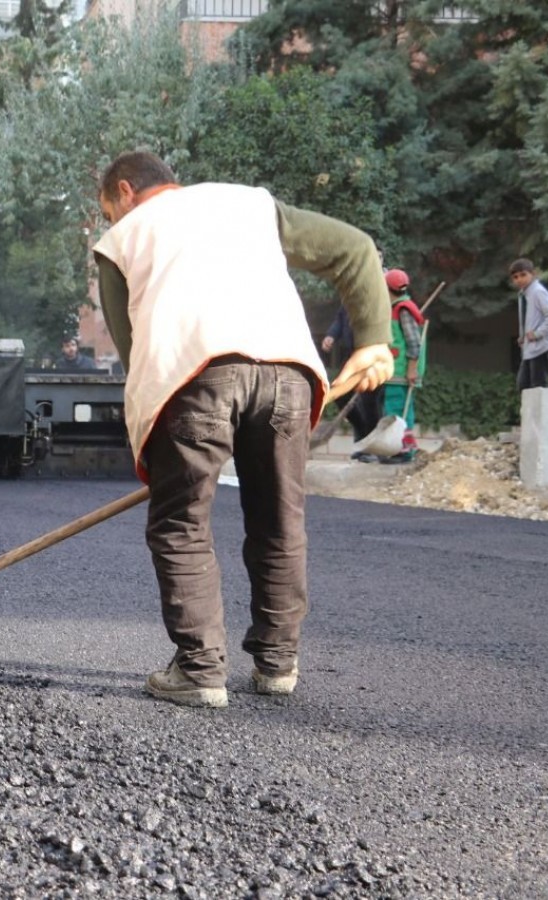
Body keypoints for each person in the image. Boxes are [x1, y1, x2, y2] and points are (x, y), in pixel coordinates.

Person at [93, 151, 392, 709]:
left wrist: (155, 455)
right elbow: (355, 248)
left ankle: (201, 671)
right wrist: (375, 337)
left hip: (194, 377)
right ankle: (277, 665)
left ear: (125, 192)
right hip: (289, 373)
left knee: (181, 524)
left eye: (109, 208)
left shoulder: (122, 238)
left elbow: (139, 354)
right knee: (279, 516)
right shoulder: (251, 204)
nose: (113, 220)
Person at [320, 306, 382, 456]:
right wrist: (331, 336)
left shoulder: (373, 302)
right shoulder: (348, 303)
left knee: (369, 404)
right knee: (340, 395)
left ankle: (370, 448)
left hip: (370, 356)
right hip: (351, 358)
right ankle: (361, 434)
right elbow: (340, 321)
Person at [379, 268, 426, 464]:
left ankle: (402, 450)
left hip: (401, 372)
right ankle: (400, 448)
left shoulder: (403, 309)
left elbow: (414, 342)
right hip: (393, 370)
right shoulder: (397, 307)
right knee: (396, 411)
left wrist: (411, 369)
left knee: (397, 413)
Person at [510, 258, 548, 391]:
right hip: (529, 347)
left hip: (541, 346)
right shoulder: (523, 294)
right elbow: (528, 318)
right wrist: (522, 336)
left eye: (523, 275)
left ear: (532, 274)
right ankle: (531, 412)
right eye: (515, 277)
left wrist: (537, 333)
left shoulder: (538, 291)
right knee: (523, 385)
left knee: (538, 385)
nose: (519, 279)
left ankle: (543, 411)